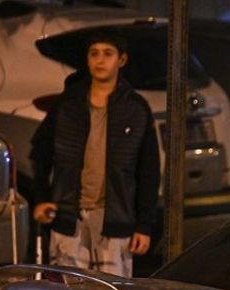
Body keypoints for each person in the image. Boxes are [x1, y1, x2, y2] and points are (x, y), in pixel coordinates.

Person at [30, 29, 159, 277]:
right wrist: (42, 198)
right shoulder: (68, 104)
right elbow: (41, 152)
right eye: (94, 54)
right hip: (69, 217)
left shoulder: (135, 108)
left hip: (114, 220)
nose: (100, 60)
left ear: (121, 60)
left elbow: (148, 171)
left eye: (108, 54)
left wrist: (144, 225)